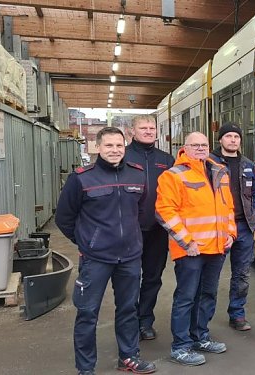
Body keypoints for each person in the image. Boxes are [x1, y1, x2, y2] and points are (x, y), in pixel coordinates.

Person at [56, 127, 156, 375]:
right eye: (109, 146)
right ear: (98, 148)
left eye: (119, 146)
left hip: (130, 257)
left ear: (125, 147)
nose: (114, 150)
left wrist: (133, 239)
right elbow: (64, 218)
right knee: (88, 313)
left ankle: (128, 357)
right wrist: (86, 243)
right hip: (96, 259)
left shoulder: (137, 175)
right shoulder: (81, 178)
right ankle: (86, 368)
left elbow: (141, 210)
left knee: (128, 309)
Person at [156, 132, 237, 366]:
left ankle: (200, 336)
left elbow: (228, 207)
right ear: (185, 148)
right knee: (186, 298)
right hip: (190, 250)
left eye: (204, 145)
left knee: (208, 295)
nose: (200, 148)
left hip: (217, 247)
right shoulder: (173, 175)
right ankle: (180, 346)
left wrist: (230, 233)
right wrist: (186, 242)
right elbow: (165, 212)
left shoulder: (219, 171)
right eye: (195, 145)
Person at [124, 114, 175, 341]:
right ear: (132, 132)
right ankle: (128, 321)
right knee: (130, 278)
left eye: (151, 128)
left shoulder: (166, 159)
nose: (148, 131)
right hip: (128, 231)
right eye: (143, 128)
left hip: (157, 230)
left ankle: (145, 320)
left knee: (153, 278)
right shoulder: (121, 155)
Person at [209, 123, 255, 330]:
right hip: (219, 228)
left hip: (243, 228)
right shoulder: (210, 163)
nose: (233, 140)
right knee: (212, 275)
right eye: (228, 136)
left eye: (236, 137)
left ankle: (237, 314)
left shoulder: (247, 164)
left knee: (242, 274)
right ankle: (204, 319)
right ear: (220, 139)